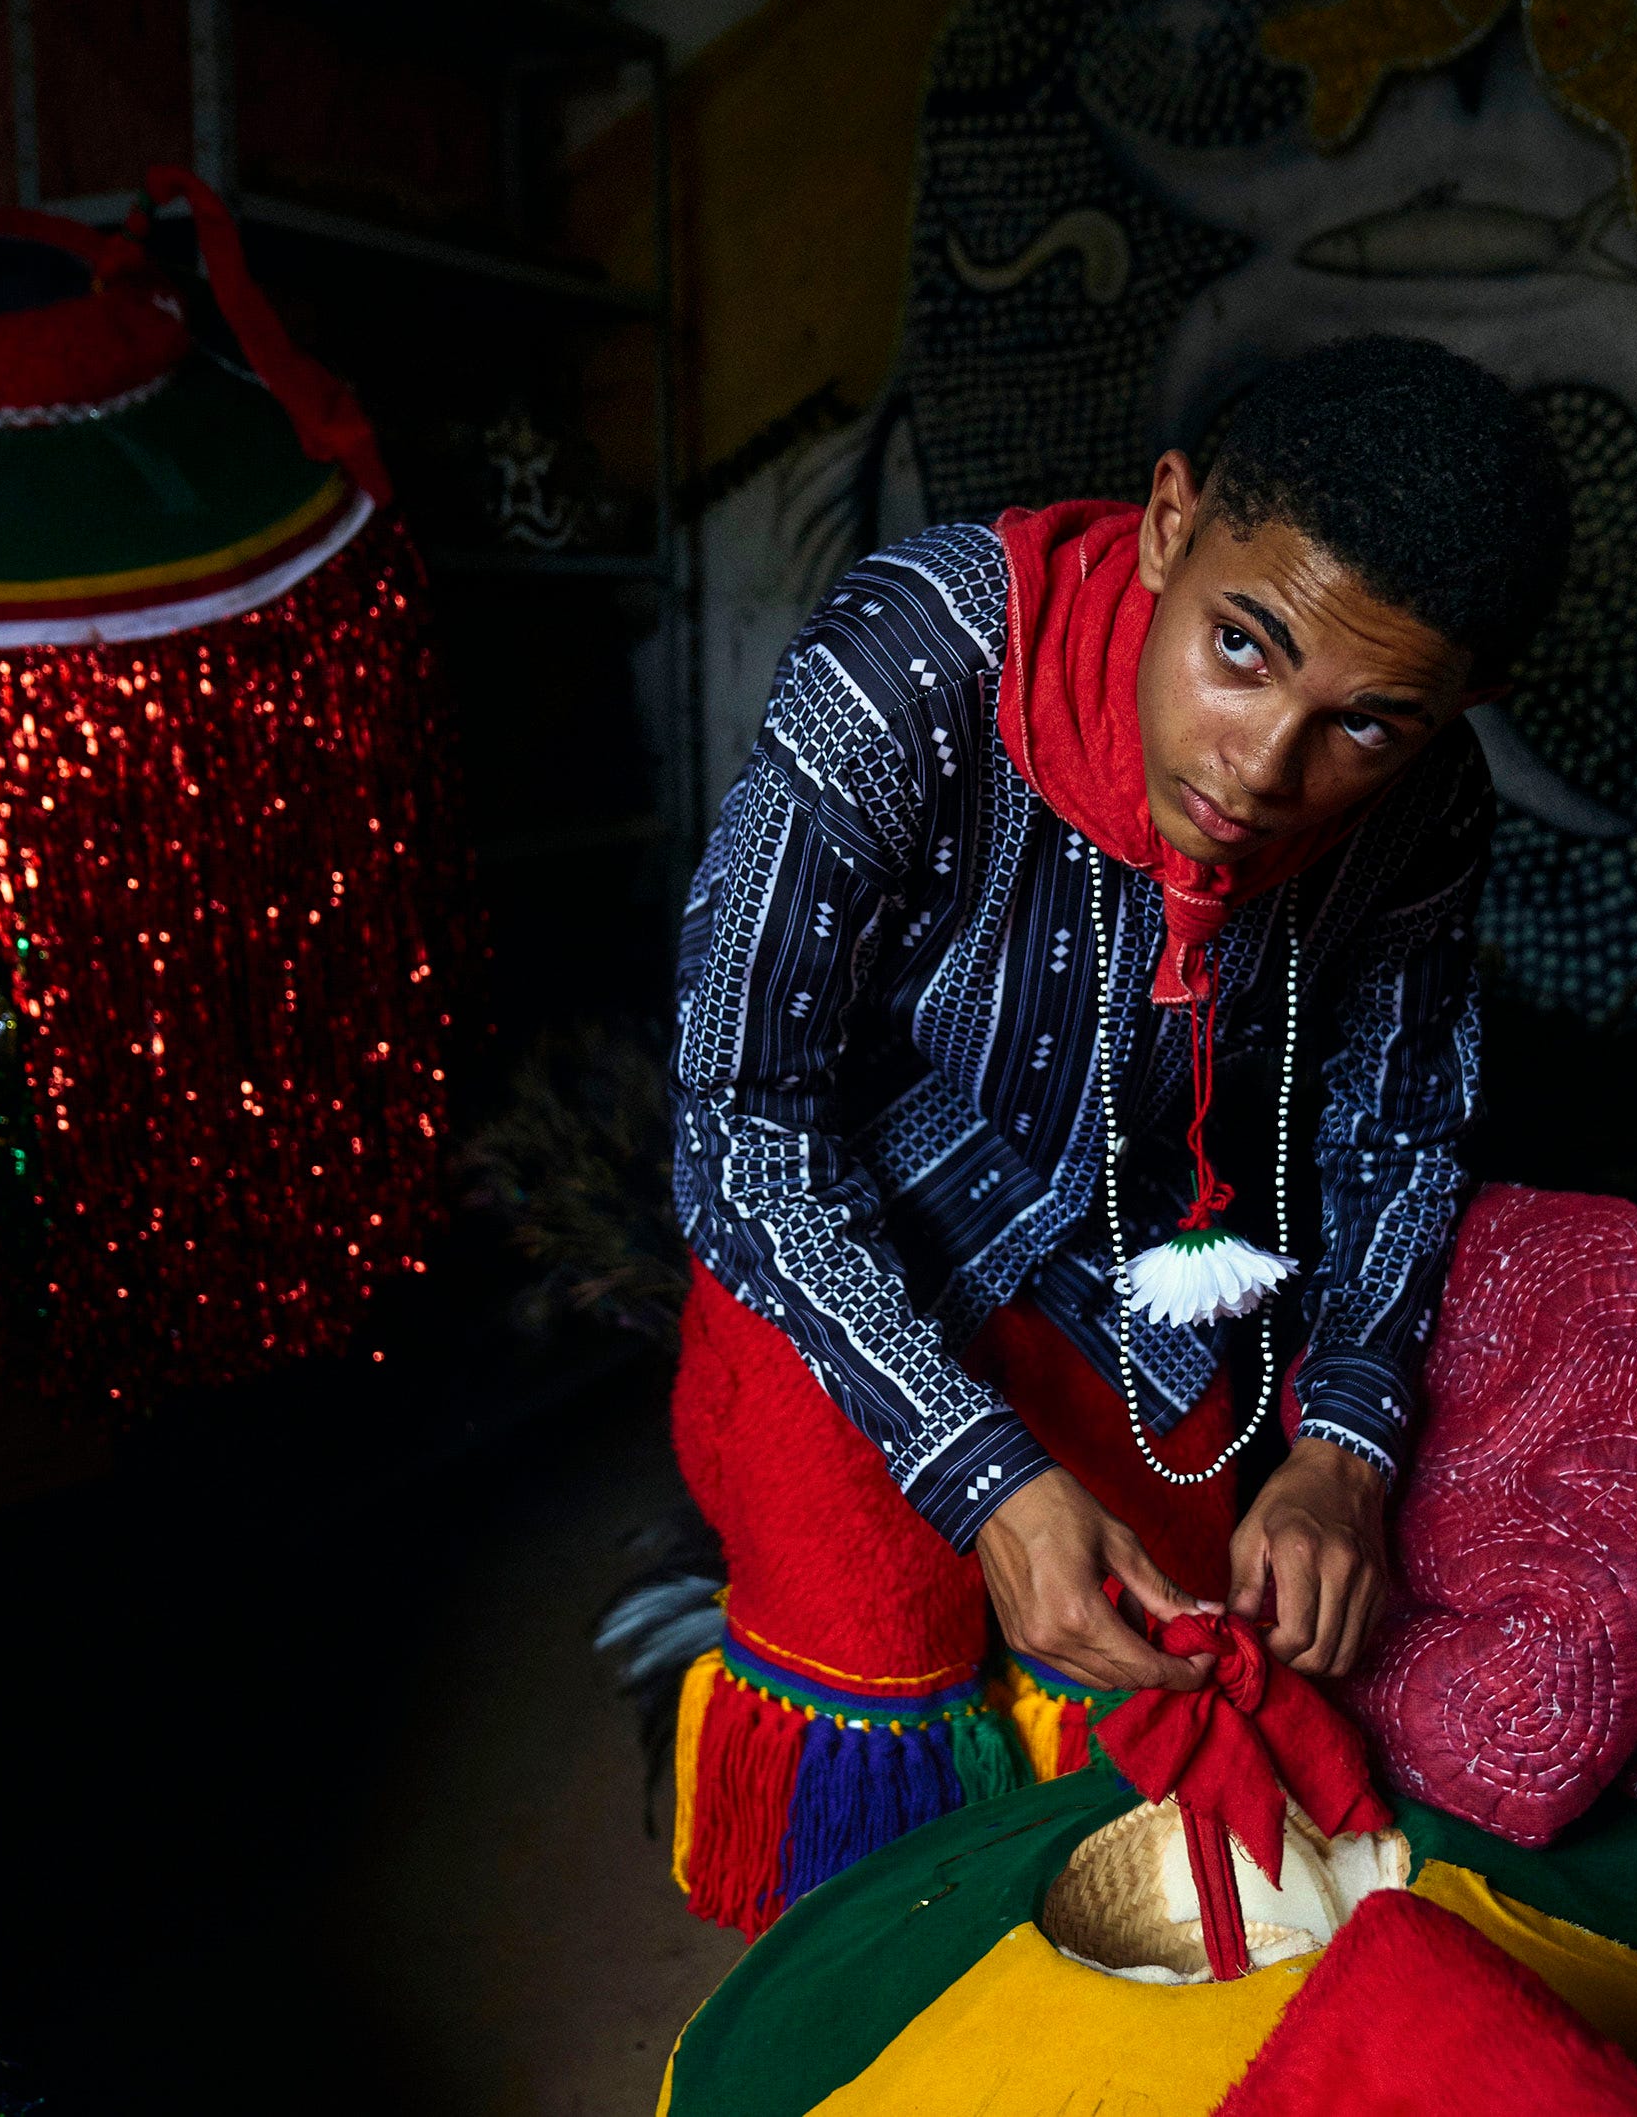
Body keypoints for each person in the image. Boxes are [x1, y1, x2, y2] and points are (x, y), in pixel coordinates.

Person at [661, 333, 1570, 1934]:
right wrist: (985, 1475)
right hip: (846, 1237)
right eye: (1241, 645)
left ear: (1456, 711)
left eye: (1365, 724)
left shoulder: (1428, 810)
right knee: (872, 1656)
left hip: (1136, 1265)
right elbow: (739, 1124)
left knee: (1179, 1677)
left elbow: (1398, 1134)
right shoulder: (911, 660)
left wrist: (1343, 1454)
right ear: (1167, 523)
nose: (1262, 768)